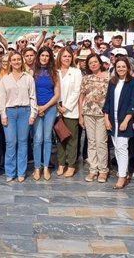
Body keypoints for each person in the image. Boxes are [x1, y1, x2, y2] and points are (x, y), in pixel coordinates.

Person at [0, 53, 37, 182]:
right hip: (9, 111)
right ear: (10, 62)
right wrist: (3, 115)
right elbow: (1, 99)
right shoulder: (5, 79)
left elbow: (33, 97)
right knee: (10, 142)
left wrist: (33, 114)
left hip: (24, 111)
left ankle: (21, 171)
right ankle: (10, 172)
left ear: (22, 61)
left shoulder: (28, 78)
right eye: (13, 60)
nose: (16, 62)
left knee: (22, 142)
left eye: (18, 59)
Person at [103, 57, 134, 189]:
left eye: (123, 66)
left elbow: (133, 103)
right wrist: (106, 118)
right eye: (118, 66)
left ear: (128, 68)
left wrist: (126, 120)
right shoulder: (112, 82)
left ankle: (122, 176)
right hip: (113, 119)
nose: (121, 69)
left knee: (122, 147)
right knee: (117, 148)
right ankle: (123, 172)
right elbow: (107, 101)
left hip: (125, 120)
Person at [79, 54, 110, 183]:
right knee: (91, 142)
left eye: (95, 62)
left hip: (102, 114)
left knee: (101, 142)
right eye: (90, 63)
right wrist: (81, 115)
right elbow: (81, 97)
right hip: (88, 113)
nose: (93, 64)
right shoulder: (86, 78)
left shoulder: (109, 77)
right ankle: (93, 169)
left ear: (100, 63)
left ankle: (103, 170)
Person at [31, 47, 60, 181]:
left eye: (47, 56)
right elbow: (30, 92)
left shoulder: (54, 72)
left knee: (47, 138)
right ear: (39, 57)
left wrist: (45, 107)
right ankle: (37, 167)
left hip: (50, 108)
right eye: (42, 55)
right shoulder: (33, 72)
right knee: (37, 138)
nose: (44, 58)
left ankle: (47, 167)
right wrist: (37, 108)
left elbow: (57, 94)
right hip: (36, 108)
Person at [55, 48, 82, 178]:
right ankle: (61, 163)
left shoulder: (76, 72)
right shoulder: (55, 72)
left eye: (69, 56)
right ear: (59, 57)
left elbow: (77, 91)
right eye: (64, 56)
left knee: (71, 139)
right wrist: (57, 106)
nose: (66, 59)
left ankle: (71, 165)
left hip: (70, 111)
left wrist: (66, 107)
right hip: (57, 110)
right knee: (60, 138)